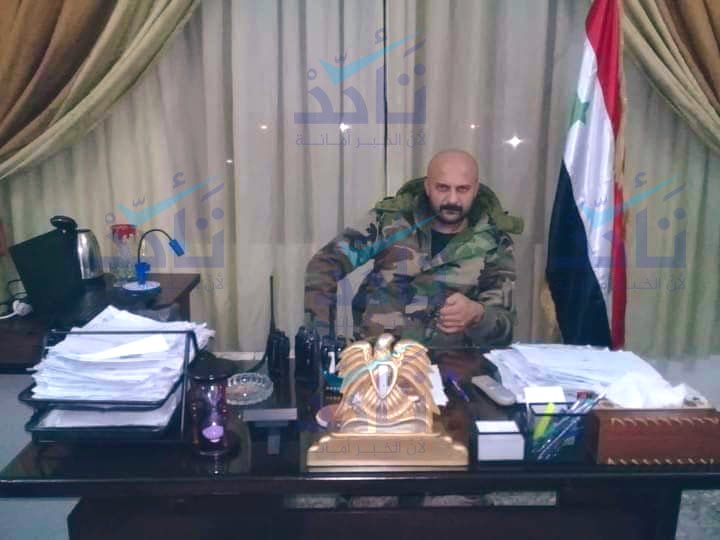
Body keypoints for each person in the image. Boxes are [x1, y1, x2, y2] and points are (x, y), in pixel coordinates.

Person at [304, 149, 522, 348]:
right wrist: (323, 340)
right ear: (427, 187)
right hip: (379, 358)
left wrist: (478, 315)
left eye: (462, 189)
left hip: (451, 363)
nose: (452, 199)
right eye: (442, 188)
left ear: (475, 189)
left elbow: (504, 331)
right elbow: (324, 265)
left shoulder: (495, 242)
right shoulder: (390, 222)